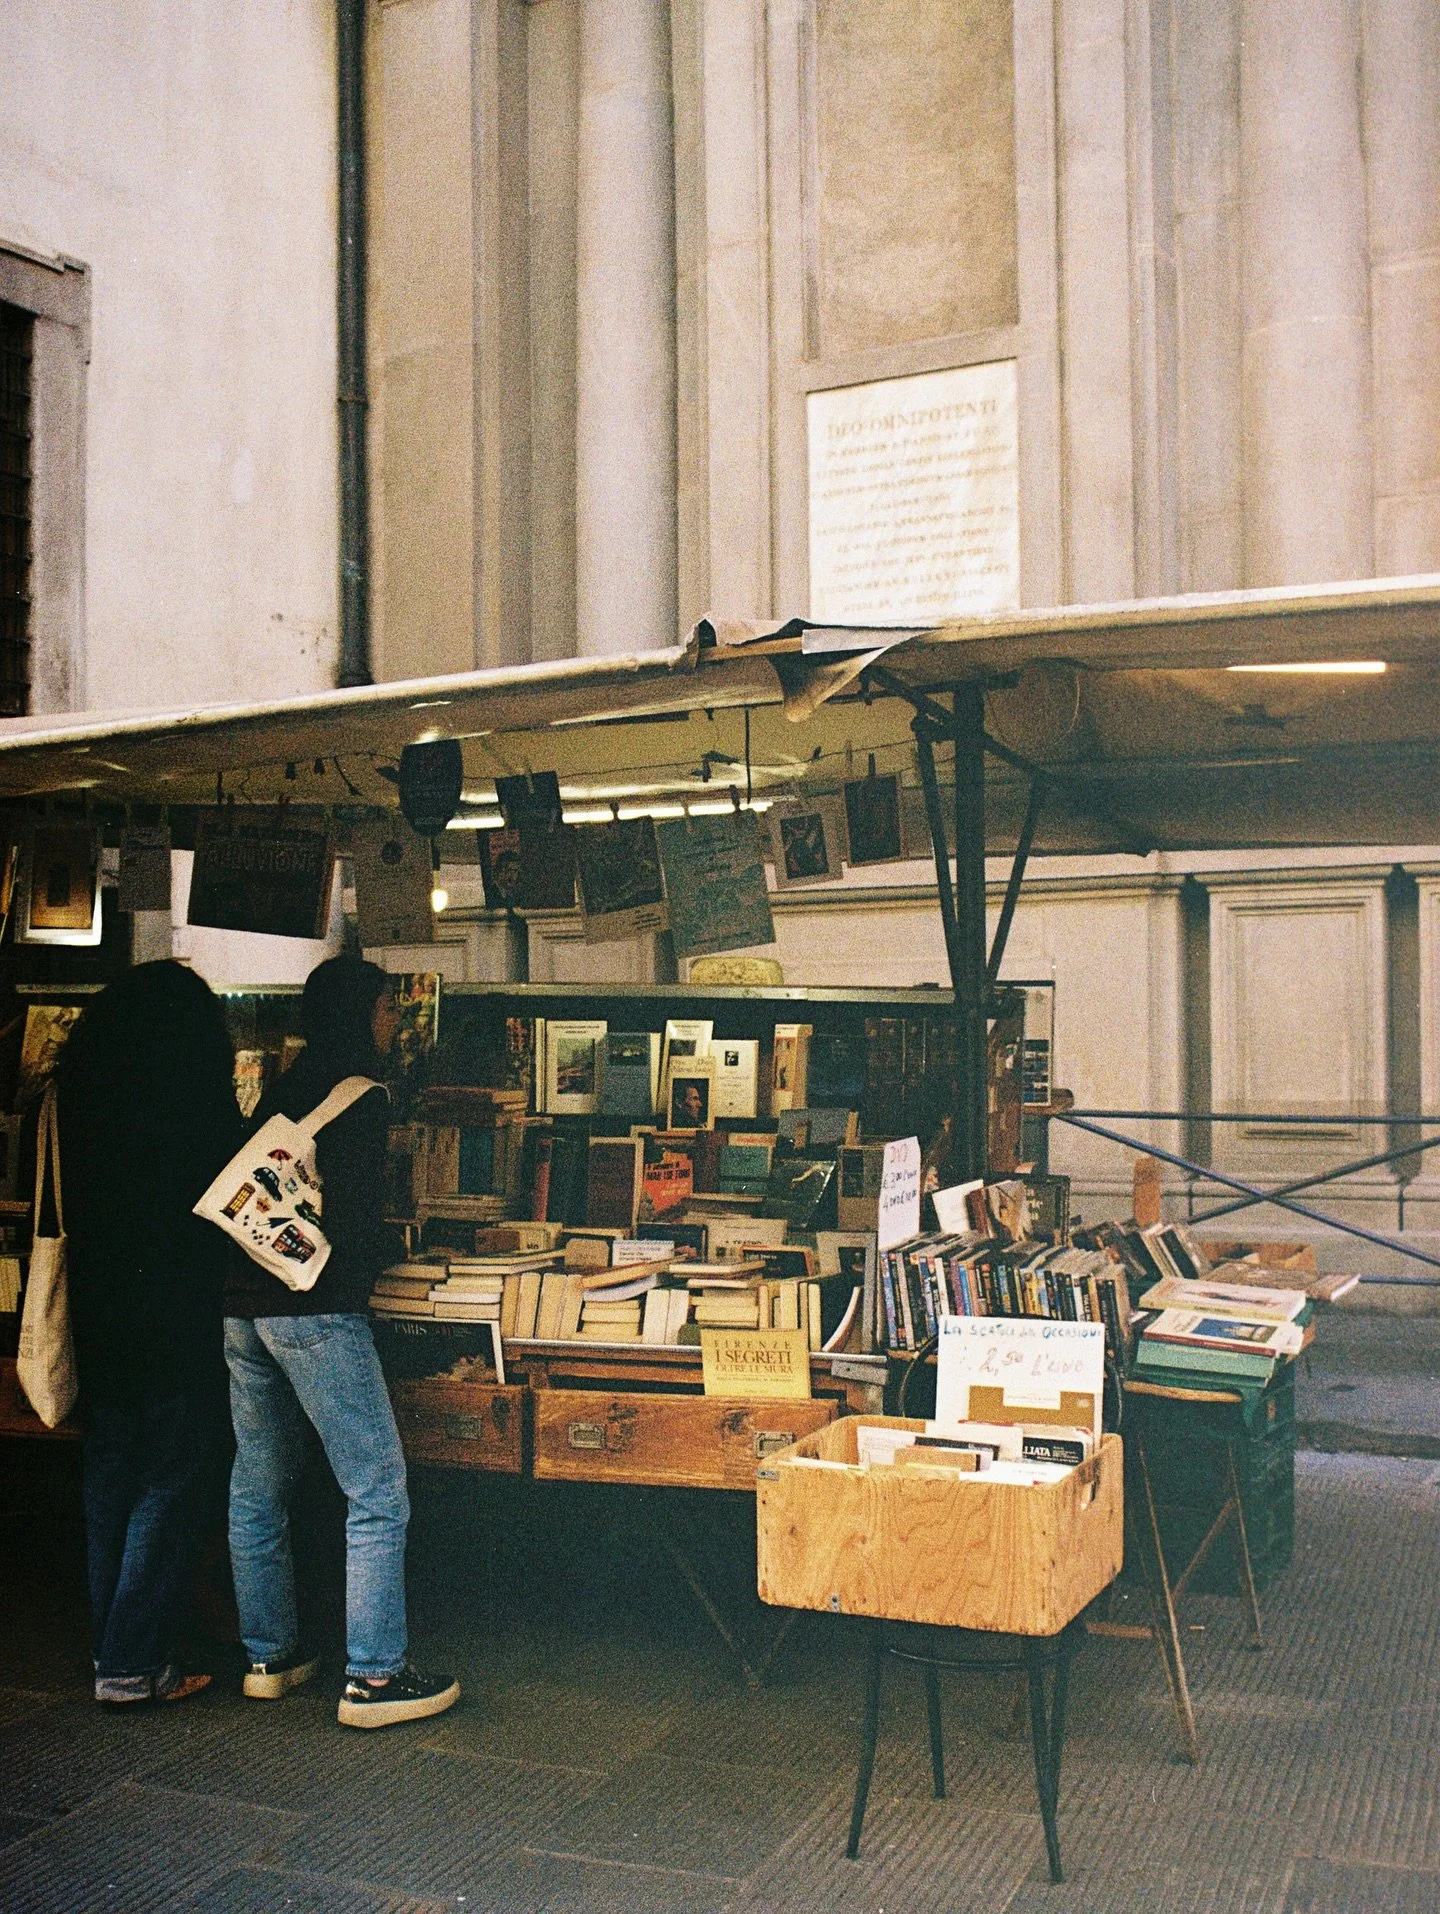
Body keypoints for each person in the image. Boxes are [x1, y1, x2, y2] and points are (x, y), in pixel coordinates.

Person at [222, 957, 459, 1729]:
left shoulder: (282, 1088)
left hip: (242, 1306)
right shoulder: (362, 1097)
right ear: (360, 1015)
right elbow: (352, 1223)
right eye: (388, 1008)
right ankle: (375, 1678)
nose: (394, 1021)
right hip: (316, 1311)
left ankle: (270, 1657)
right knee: (378, 1489)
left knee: (258, 1485)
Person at [55, 961, 243, 1706]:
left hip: (101, 1314)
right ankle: (131, 1664)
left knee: (108, 1485)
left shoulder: (80, 1094)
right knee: (167, 1484)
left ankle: (113, 1650)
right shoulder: (195, 1106)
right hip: (177, 1316)